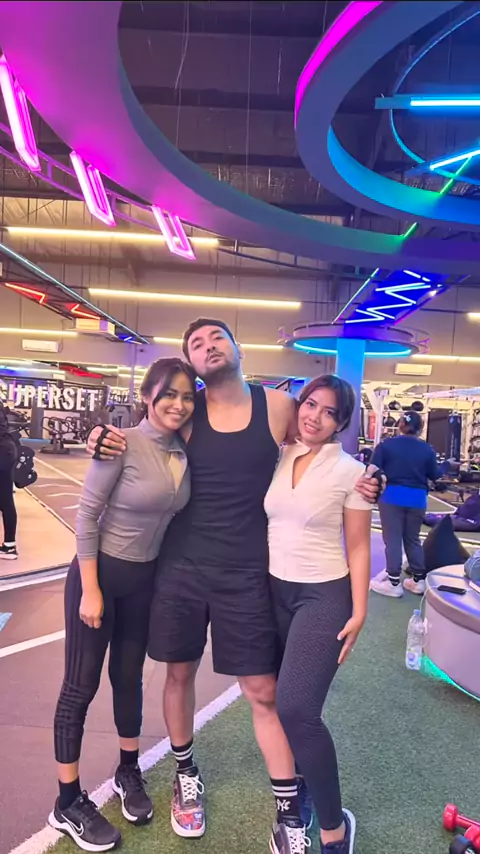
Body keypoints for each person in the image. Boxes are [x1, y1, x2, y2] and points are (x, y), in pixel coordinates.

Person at [87, 318, 380, 854]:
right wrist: (103, 436)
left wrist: (367, 480)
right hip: (181, 566)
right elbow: (143, 434)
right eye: (196, 344)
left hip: (246, 572)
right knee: (179, 673)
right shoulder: (188, 409)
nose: (208, 347)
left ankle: (288, 809)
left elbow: (318, 449)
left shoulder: (279, 407)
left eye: (216, 337)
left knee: (263, 691)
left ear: (237, 346)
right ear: (192, 362)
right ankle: (186, 774)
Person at [49, 358, 195, 852]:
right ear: (148, 396)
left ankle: (127, 771)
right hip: (100, 577)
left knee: (129, 679)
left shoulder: (184, 449)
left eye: (187, 396)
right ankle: (67, 801)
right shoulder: (119, 443)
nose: (178, 404)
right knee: (80, 686)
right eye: (169, 393)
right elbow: (86, 517)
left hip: (143, 582)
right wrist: (91, 589)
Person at [265, 374, 372, 854]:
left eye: (330, 412)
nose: (315, 417)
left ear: (341, 424)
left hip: (323, 596)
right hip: (273, 593)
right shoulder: (279, 454)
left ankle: (334, 830)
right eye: (310, 404)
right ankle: (303, 784)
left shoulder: (352, 472)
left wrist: (361, 610)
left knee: (297, 710)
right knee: (282, 704)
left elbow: (359, 545)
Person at [369, 410, 443, 598]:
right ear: (421, 428)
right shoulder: (427, 449)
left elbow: (372, 469)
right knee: (413, 539)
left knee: (393, 539)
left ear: (400, 425)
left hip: (392, 497)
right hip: (417, 499)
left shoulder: (386, 445)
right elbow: (435, 475)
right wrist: (448, 465)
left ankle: (394, 582)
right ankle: (418, 580)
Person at [0, 402, 18, 559]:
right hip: (5, 450)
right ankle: (9, 546)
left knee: (5, 500)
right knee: (5, 500)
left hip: (2, 453)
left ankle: (10, 547)